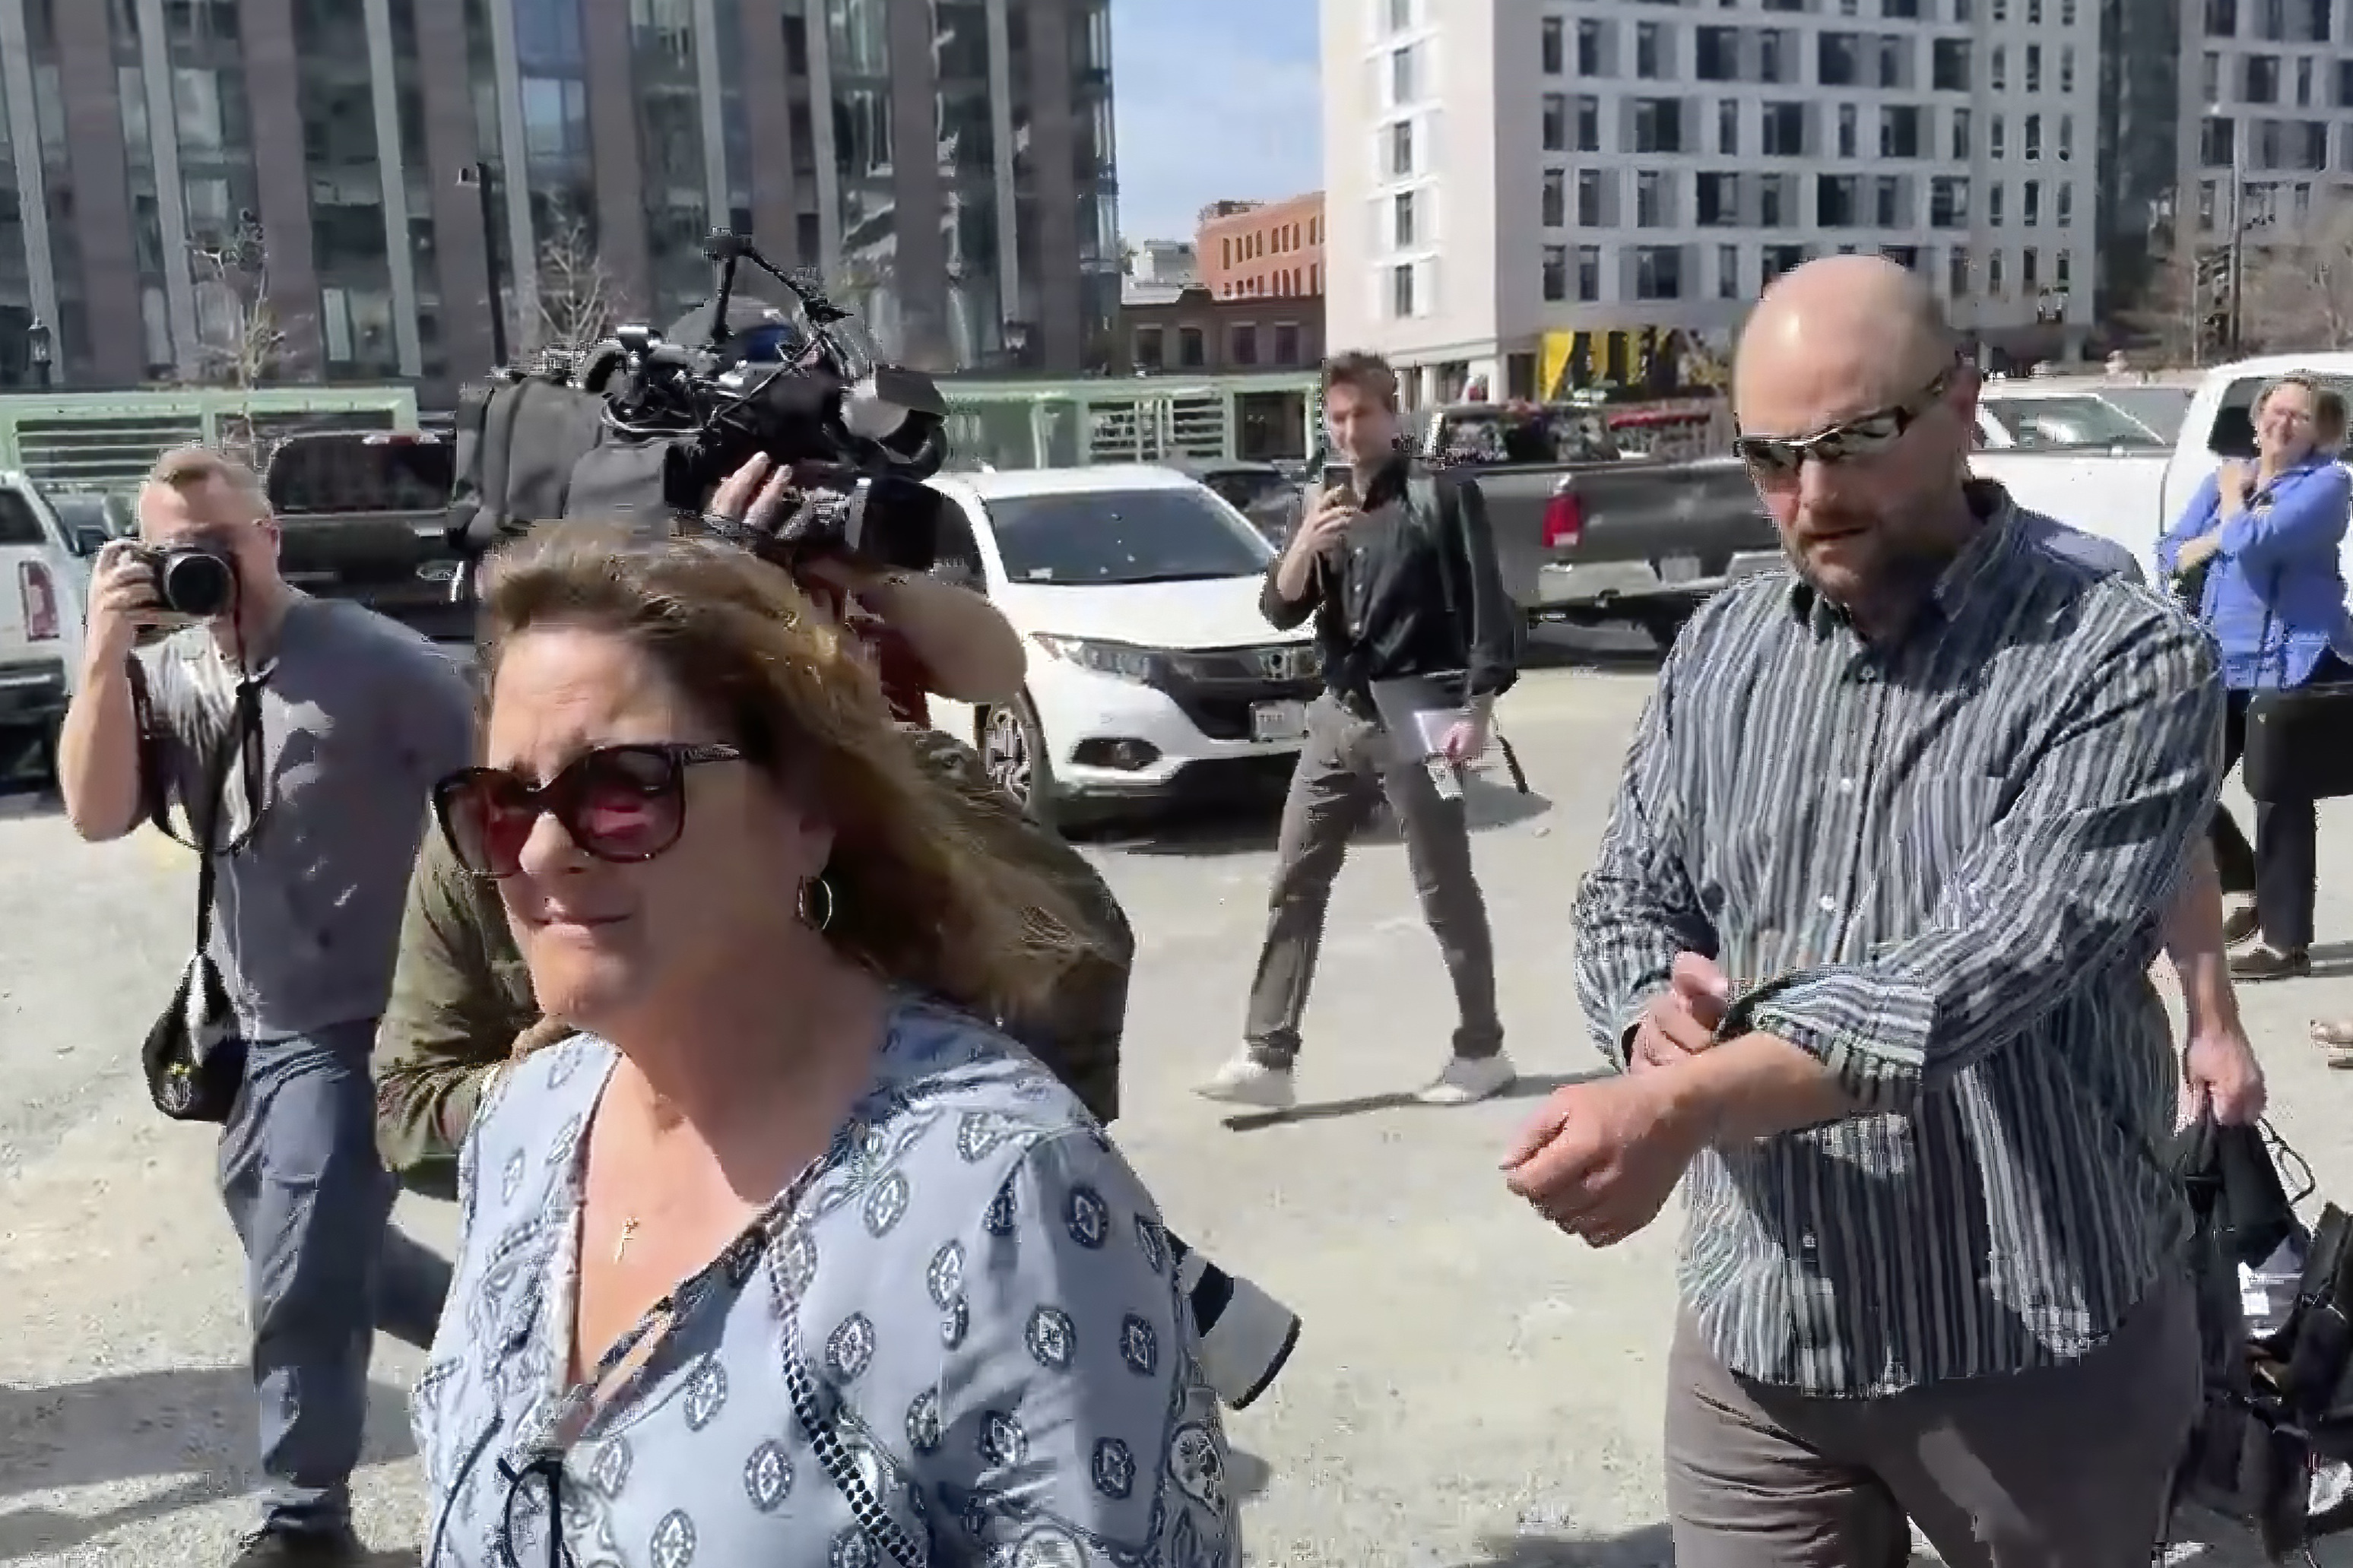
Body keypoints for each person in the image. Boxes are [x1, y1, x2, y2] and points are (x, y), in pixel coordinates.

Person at [1511, 256, 2224, 1567]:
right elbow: (1624, 893)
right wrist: (1641, 1024)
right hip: (1764, 1334)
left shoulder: (2122, 659)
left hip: (2034, 1340)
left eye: (1852, 443)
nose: (1813, 499)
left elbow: (1969, 976)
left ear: (1963, 402)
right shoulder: (1721, 647)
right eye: (1773, 457)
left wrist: (1685, 1101)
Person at [376, 455, 1302, 1409]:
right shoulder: (488, 835)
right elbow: (407, 1106)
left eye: (630, 793)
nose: (545, 850)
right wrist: (598, 1061)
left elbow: (1076, 952)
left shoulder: (986, 1160)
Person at [56, 446, 473, 1567]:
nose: (203, 570)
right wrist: (104, 651)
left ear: (271, 535)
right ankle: (505, 1326)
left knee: (297, 1267)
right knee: (311, 1240)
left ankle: (305, 1518)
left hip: (365, 1021)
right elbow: (96, 814)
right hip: (250, 1021)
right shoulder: (170, 671)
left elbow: (500, 804)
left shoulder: (380, 664)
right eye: (174, 552)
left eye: (220, 545)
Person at [1198, 350, 1521, 1111]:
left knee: (1444, 887)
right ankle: (1265, 1055)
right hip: (1336, 713)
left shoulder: (1439, 485)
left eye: (1362, 415)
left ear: (1392, 409)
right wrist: (1304, 543)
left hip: (1424, 711)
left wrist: (1477, 712)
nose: (1348, 431)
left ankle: (1483, 1048)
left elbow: (1485, 603)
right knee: (1294, 878)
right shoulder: (1324, 498)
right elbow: (1278, 607)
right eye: (1336, 418)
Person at [2158, 372, 2353, 981]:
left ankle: (2284, 942)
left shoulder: (2326, 485)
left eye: (2300, 415)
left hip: (2292, 659)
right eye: (2275, 410)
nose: (2283, 423)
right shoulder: (2223, 480)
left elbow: (2256, 542)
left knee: (2280, 799)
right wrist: (2214, 528)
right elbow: (2169, 551)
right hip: (2219, 658)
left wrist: (2228, 510)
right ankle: (2242, 879)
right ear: (2257, 417)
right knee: (2177, 782)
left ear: (2318, 429)